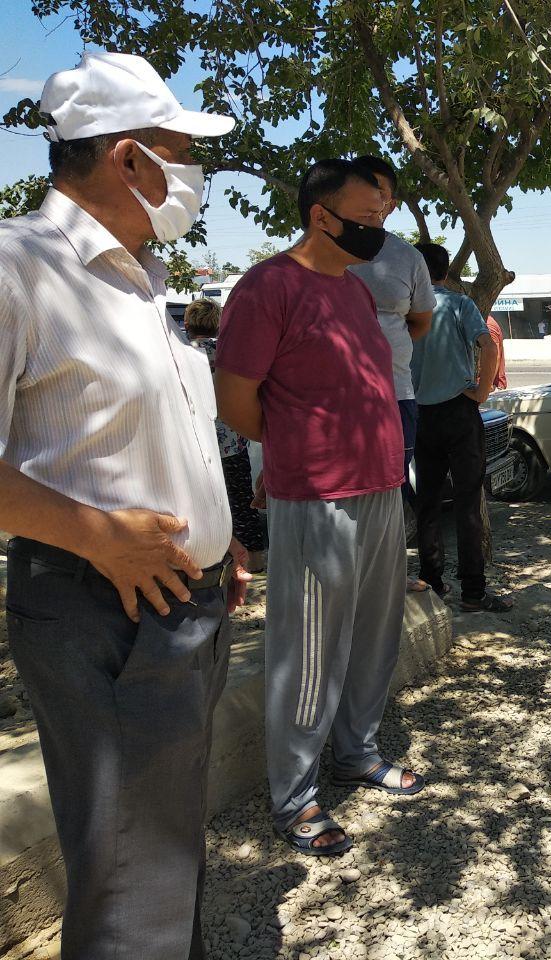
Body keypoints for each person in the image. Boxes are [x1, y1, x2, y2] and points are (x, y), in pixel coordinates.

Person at [0, 51, 251, 959]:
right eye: (183, 151)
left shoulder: (137, 278)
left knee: (163, 848)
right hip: (101, 607)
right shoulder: (18, 268)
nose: (196, 174)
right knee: (128, 876)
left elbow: (151, 430)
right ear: (128, 159)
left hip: (181, 600)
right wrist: (102, 537)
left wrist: (222, 544)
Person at [215, 159, 424, 858]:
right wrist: (292, 449)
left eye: (386, 216)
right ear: (321, 215)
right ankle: (294, 797)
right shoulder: (268, 287)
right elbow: (236, 399)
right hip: (317, 496)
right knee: (308, 652)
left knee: (373, 634)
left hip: (381, 489)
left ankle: (356, 752)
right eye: (368, 217)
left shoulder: (358, 293)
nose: (380, 230)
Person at [346, 155, 436, 593]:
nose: (371, 202)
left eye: (379, 193)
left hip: (395, 391)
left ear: (392, 202)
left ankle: (390, 575)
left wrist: (387, 348)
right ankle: (347, 579)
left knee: (392, 486)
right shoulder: (320, 252)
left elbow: (420, 321)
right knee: (342, 491)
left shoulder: (407, 257)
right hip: (333, 397)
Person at [410, 242, 512, 612]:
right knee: (469, 503)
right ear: (445, 270)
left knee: (428, 505)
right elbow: (488, 345)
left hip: (421, 414)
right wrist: (481, 391)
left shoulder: (407, 310)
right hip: (459, 410)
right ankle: (473, 592)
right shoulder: (458, 304)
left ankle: (433, 583)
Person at [185, 298, 267, 573]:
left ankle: (210, 561)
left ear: (187, 323)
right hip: (233, 440)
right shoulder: (228, 353)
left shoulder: (183, 354)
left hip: (198, 443)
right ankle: (255, 560)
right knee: (242, 500)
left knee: (201, 503)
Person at [486, 315, 508, 389]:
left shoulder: (488, 325)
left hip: (492, 387)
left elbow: (494, 356)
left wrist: (488, 385)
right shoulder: (485, 322)